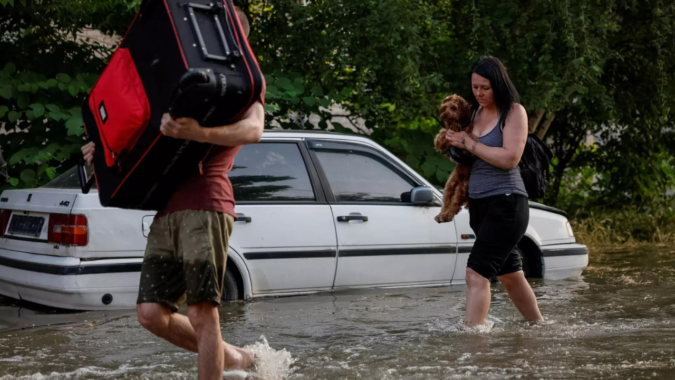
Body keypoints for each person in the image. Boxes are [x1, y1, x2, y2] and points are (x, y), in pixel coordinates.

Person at [82, 8, 264, 380]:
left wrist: (201, 134)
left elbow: (254, 130)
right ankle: (236, 358)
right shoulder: (177, 77)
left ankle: (223, 364)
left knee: (201, 311)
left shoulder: (244, 85)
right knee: (151, 313)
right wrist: (100, 153)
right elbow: (143, 136)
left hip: (206, 203)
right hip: (167, 208)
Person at [445, 56, 544, 327]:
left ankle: (474, 341)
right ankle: (540, 327)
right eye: (475, 87)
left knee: (475, 274)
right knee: (510, 274)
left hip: (507, 204)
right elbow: (469, 159)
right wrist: (455, 146)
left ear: (498, 84)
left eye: (485, 88)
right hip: (479, 205)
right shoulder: (474, 114)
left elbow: (509, 158)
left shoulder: (514, 112)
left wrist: (469, 142)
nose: (479, 93)